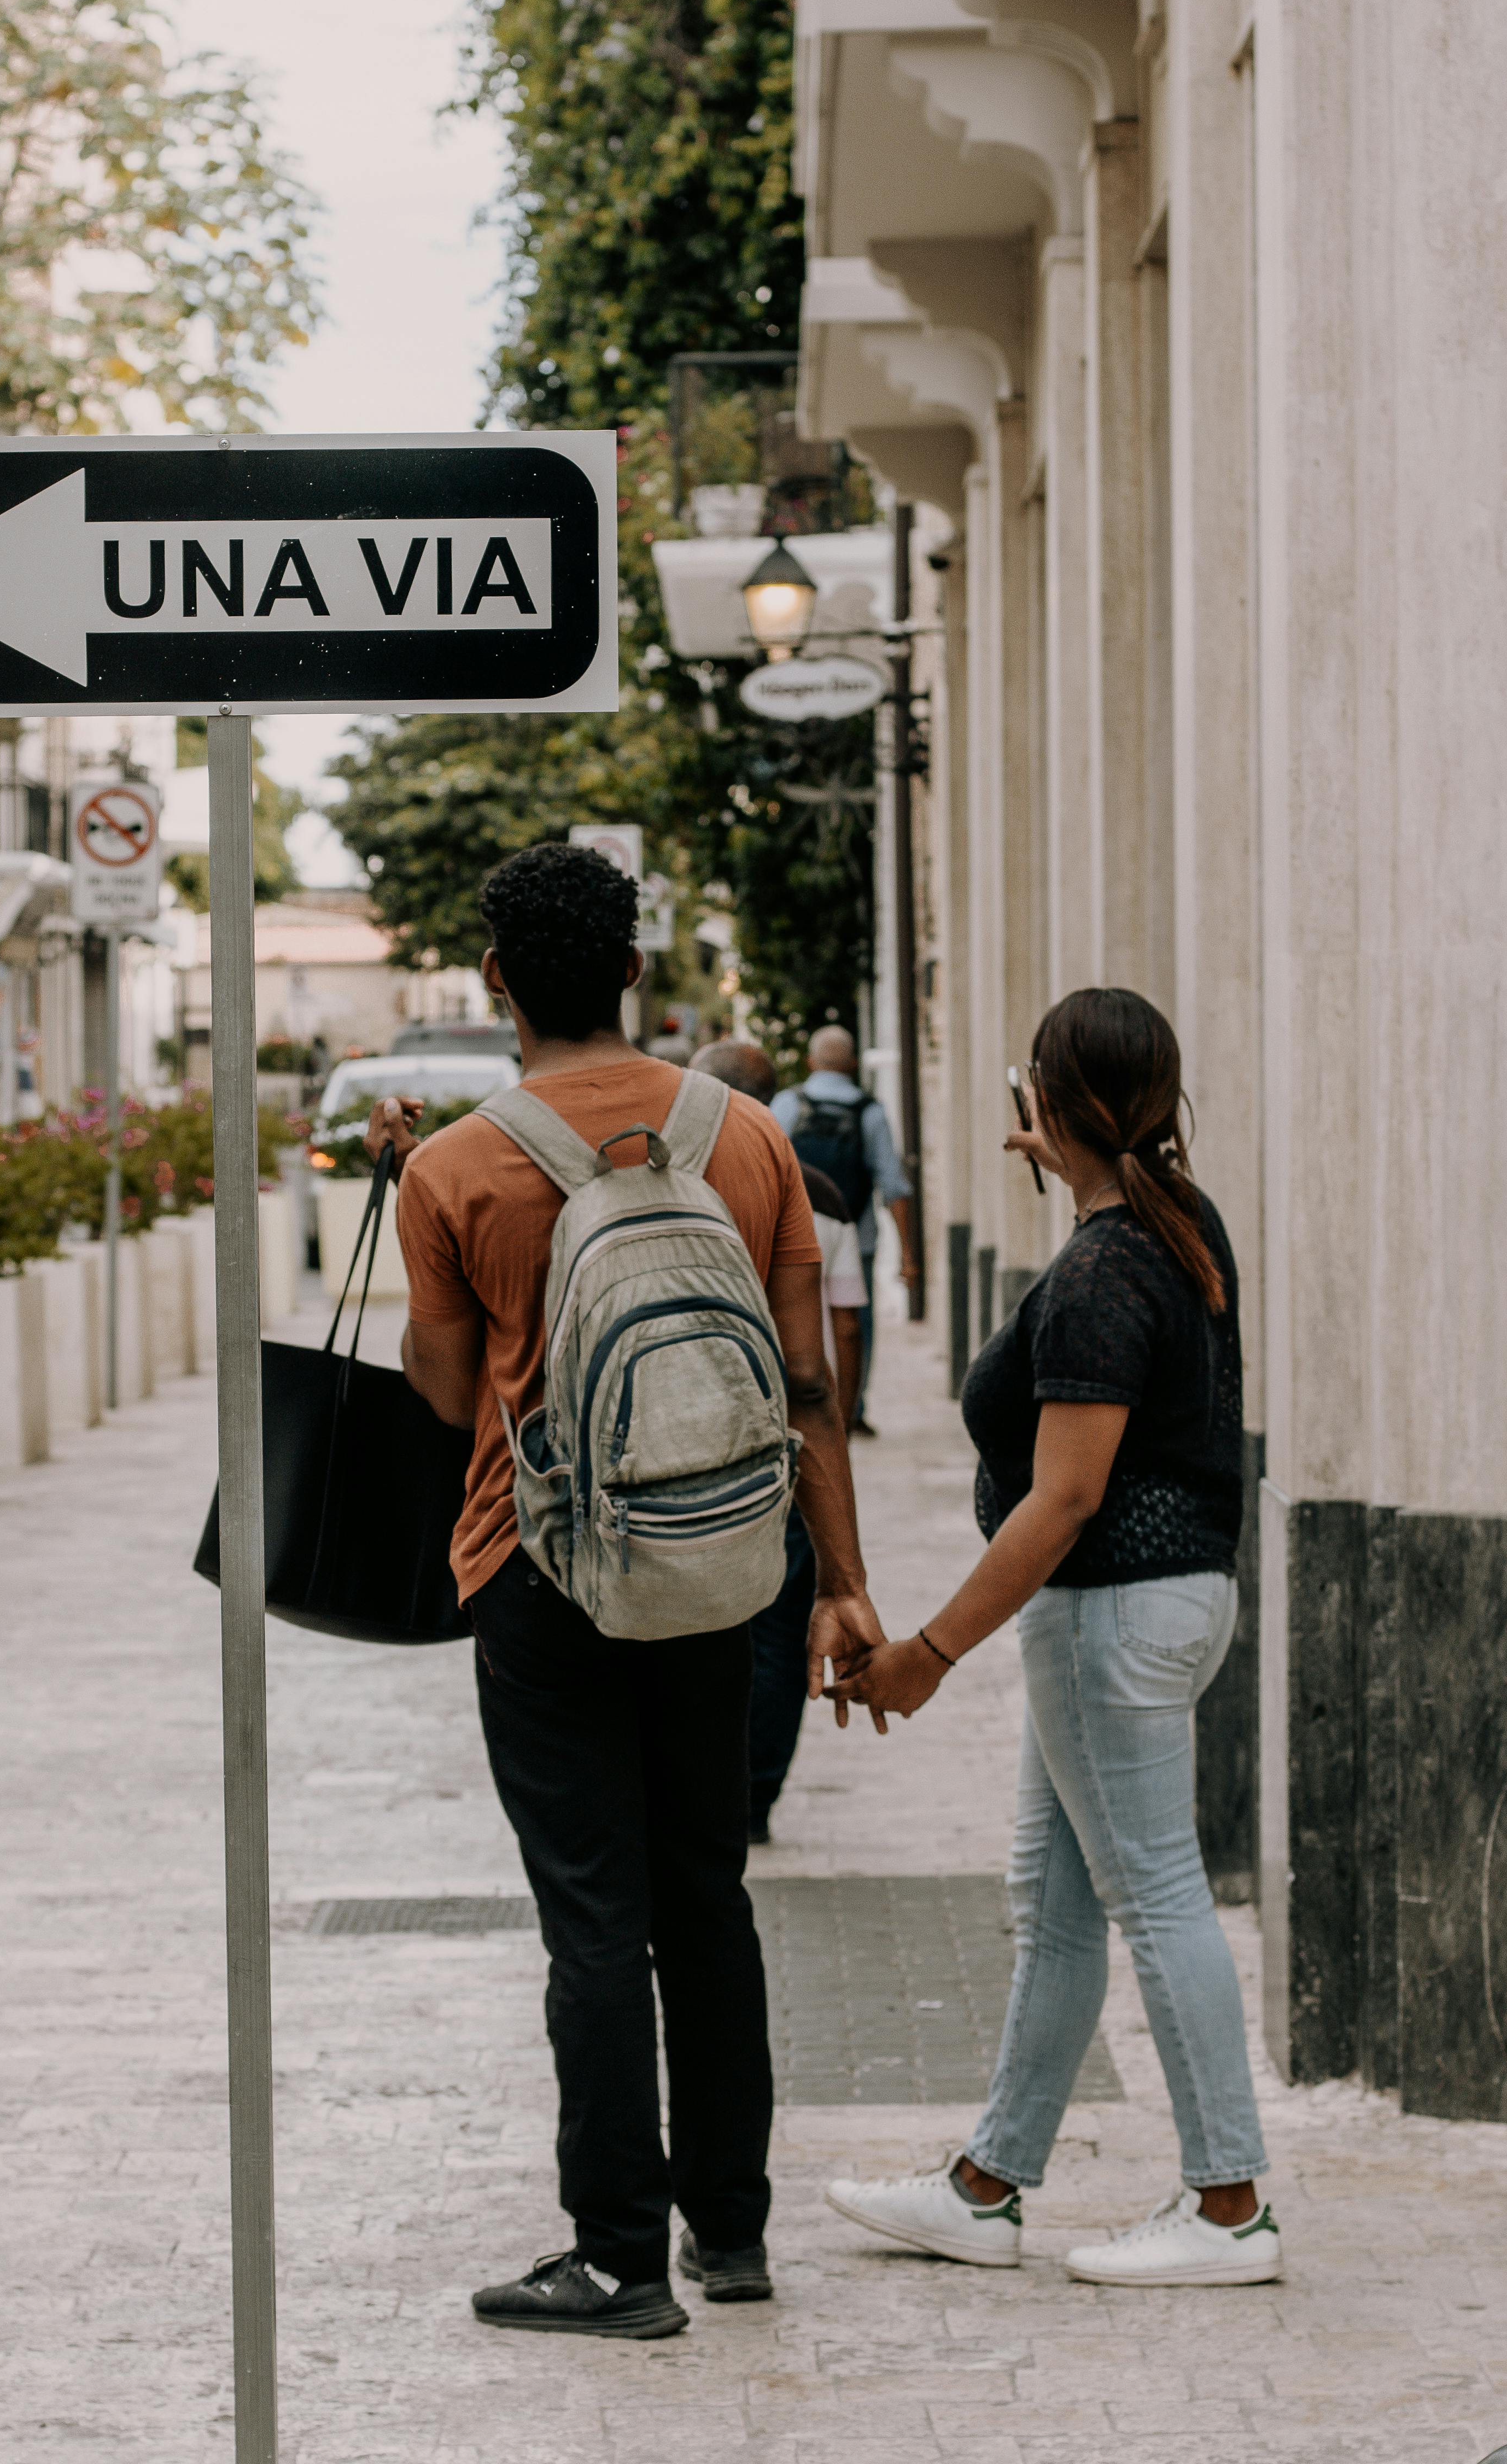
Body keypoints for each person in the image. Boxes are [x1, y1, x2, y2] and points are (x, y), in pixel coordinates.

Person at [366, 843, 886, 2340]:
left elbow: (450, 1387)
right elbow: (808, 1387)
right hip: (724, 1564)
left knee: (591, 1913)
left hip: (538, 1575)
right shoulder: (744, 1137)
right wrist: (839, 1586)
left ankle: (614, 2259)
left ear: (497, 984)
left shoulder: (458, 1167)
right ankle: (732, 2234)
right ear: (638, 973)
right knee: (704, 1899)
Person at [825, 988, 1280, 2288]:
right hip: (1165, 1606)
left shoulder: (1096, 1271)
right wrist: (1074, 1166)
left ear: (1049, 1105)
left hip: (1108, 1621)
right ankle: (986, 2183)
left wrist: (928, 1648)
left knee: (1146, 1892)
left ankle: (1228, 2202)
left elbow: (1065, 1492)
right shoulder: (1172, 1225)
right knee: (1061, 1904)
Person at [692, 1040, 866, 1842]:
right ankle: (752, 1798)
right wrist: (839, 1433)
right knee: (779, 1627)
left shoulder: (675, 1181)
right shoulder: (820, 1195)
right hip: (787, 1448)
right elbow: (836, 1334)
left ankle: (708, 1787)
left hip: (694, 1440)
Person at [770, 1026, 915, 1435]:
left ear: (811, 1063)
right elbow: (893, 1186)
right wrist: (908, 1255)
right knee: (855, 1325)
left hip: (794, 1238)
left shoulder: (786, 1104)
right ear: (852, 1064)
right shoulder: (870, 1111)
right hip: (857, 1238)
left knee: (791, 1314)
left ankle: (796, 1401)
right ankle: (851, 1408)